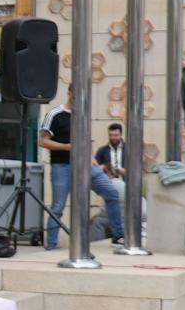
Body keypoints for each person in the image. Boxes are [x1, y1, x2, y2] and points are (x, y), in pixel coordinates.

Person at [41, 87, 125, 249]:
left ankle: (118, 234)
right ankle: (51, 244)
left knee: (111, 192)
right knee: (58, 206)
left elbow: (87, 141)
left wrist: (92, 158)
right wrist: (67, 147)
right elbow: (43, 141)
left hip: (85, 165)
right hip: (62, 165)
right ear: (69, 93)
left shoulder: (82, 115)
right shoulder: (54, 114)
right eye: (76, 94)